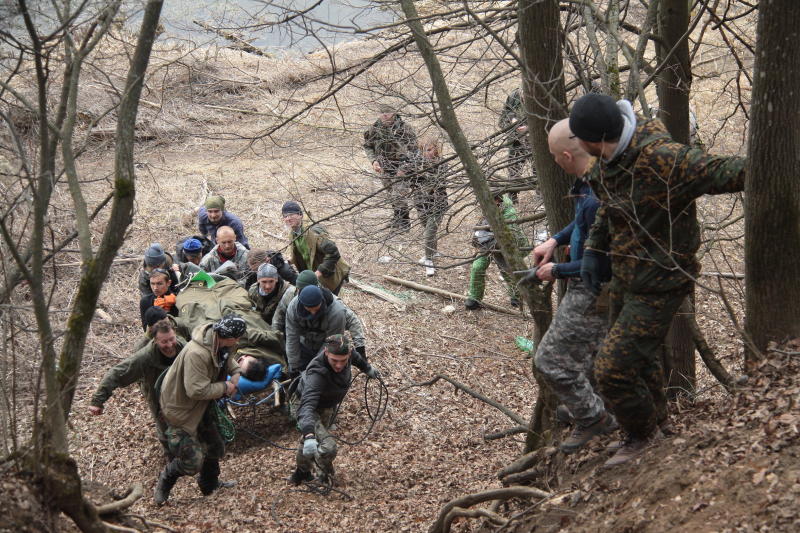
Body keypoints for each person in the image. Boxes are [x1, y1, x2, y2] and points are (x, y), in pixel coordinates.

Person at [569, 93, 746, 466]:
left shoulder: (665, 159)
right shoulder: (605, 164)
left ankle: (641, 436)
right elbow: (608, 210)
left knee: (612, 369)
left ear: (594, 139)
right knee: (641, 361)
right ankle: (658, 427)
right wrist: (592, 251)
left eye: (578, 138)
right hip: (626, 277)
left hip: (662, 282)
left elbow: (730, 170)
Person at [523, 119, 616, 453]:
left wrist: (556, 270)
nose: (552, 161)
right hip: (584, 281)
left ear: (564, 155)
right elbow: (580, 225)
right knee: (589, 356)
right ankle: (591, 406)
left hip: (594, 287)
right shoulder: (590, 182)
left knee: (549, 360)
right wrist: (554, 239)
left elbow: (605, 262)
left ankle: (594, 418)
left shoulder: (595, 196)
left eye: (552, 155)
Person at [154, 314, 245, 505]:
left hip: (202, 405)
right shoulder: (198, 353)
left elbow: (227, 361)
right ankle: (165, 479)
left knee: (215, 445)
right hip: (180, 410)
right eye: (236, 338)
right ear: (227, 336)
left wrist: (236, 373)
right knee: (191, 461)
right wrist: (225, 388)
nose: (238, 341)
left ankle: (209, 484)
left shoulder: (221, 343)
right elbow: (196, 390)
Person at [289, 333, 379, 485]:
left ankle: (300, 474)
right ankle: (323, 476)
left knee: (310, 441)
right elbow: (307, 406)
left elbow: (356, 358)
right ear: (326, 353)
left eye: (343, 361)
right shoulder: (317, 373)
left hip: (326, 406)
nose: (339, 365)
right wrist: (309, 433)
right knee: (327, 446)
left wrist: (367, 368)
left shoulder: (348, 354)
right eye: (334, 360)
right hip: (305, 407)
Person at [89, 319, 186, 457]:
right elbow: (117, 372)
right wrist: (97, 401)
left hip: (181, 390)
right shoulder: (145, 357)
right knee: (164, 426)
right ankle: (171, 456)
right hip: (157, 394)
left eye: (171, 339)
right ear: (155, 341)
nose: (170, 345)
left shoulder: (184, 347)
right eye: (164, 342)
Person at [284, 285, 366, 378]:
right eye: (309, 309)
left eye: (316, 308)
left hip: (325, 347)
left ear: (322, 301)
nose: (313, 313)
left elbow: (331, 343)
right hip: (305, 344)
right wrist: (294, 366)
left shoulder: (337, 312)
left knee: (323, 376)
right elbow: (291, 337)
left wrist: (314, 368)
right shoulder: (293, 308)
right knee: (297, 374)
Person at [465, 193, 528, 309]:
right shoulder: (488, 205)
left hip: (507, 244)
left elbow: (509, 236)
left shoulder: (509, 213)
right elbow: (484, 224)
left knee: (507, 271)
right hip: (488, 242)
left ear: (498, 200)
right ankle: (474, 298)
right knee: (477, 266)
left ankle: (516, 296)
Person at [363, 104, 418, 230]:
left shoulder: (405, 129)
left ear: (394, 113)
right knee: (390, 194)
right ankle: (396, 218)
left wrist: (405, 167)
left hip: (402, 167)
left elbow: (415, 151)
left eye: (388, 112)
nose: (385, 115)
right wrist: (374, 161)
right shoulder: (374, 129)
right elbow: (368, 146)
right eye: (382, 112)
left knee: (399, 195)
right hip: (384, 167)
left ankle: (404, 223)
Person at [282, 201, 350, 295]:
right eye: (285, 216)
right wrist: (288, 261)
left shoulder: (314, 232)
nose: (288, 219)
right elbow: (303, 253)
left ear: (300, 215)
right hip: (315, 275)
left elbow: (333, 253)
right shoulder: (293, 234)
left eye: (291, 215)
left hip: (330, 274)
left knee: (327, 303)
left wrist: (317, 274)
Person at [409, 135, 448, 276]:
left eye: (430, 150)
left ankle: (429, 260)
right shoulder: (416, 163)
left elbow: (437, 182)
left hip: (438, 203)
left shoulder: (442, 163)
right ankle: (433, 251)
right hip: (420, 203)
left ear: (436, 149)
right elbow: (411, 181)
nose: (427, 153)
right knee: (428, 229)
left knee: (429, 232)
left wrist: (422, 174)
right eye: (424, 150)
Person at [498, 88, 532, 203]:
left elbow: (549, 121)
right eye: (523, 98)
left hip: (536, 142)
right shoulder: (513, 97)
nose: (524, 99)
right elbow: (502, 120)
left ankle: (542, 200)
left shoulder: (541, 97)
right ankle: (513, 200)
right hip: (516, 142)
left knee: (539, 172)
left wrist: (530, 128)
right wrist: (512, 122)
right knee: (513, 171)